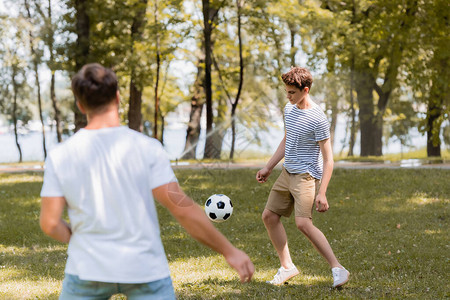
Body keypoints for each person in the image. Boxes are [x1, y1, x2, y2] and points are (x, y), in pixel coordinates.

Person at [40, 63, 254, 299]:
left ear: (80, 105)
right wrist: (229, 251)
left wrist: (81, 242)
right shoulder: (147, 148)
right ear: (118, 98)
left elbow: (50, 223)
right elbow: (182, 209)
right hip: (145, 269)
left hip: (86, 270)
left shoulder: (60, 155)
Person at [256, 67, 349, 288]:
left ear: (305, 90)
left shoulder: (318, 118)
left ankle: (338, 268)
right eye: (286, 92)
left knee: (303, 223)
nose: (287, 97)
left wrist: (322, 192)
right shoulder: (290, 110)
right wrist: (269, 167)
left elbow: (328, 160)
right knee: (269, 216)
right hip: (287, 173)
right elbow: (287, 139)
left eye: (291, 93)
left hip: (306, 177)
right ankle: (287, 267)